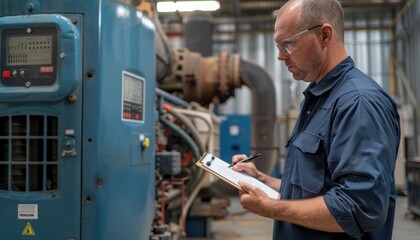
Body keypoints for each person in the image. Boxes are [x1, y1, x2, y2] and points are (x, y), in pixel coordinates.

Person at [231, 0, 401, 239]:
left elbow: (359, 207)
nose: (280, 56)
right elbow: (315, 189)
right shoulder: (317, 99)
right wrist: (262, 180)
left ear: (324, 35)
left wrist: (272, 209)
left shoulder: (358, 103)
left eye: (288, 44)